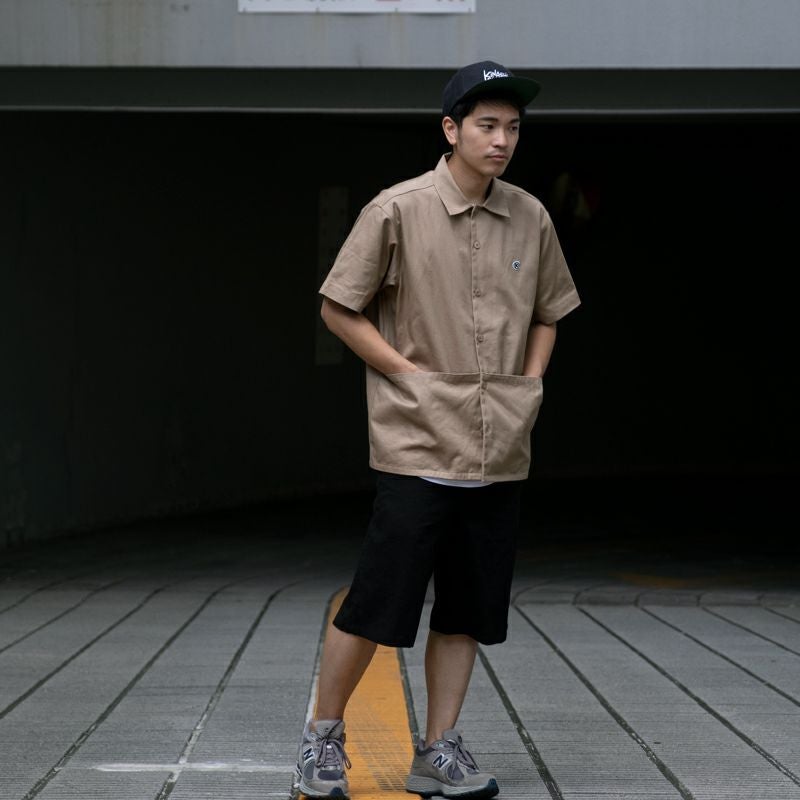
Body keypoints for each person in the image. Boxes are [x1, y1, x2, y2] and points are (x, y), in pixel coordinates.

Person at [295, 60, 581, 800]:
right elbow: (338, 307)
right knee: (377, 604)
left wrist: (530, 383)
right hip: (416, 443)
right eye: (486, 125)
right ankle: (322, 737)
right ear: (451, 129)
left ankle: (438, 749)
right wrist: (409, 375)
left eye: (512, 127)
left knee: (467, 611)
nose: (502, 140)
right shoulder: (397, 210)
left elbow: (549, 312)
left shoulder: (531, 216)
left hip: (499, 449)